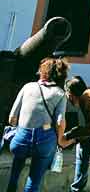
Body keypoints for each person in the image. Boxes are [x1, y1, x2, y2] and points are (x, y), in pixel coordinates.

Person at [7, 57, 70, 192]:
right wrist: (59, 140)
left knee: (16, 170)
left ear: (42, 71)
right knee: (34, 181)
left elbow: (12, 117)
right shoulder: (60, 94)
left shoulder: (27, 87)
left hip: (21, 138)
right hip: (44, 141)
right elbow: (60, 122)